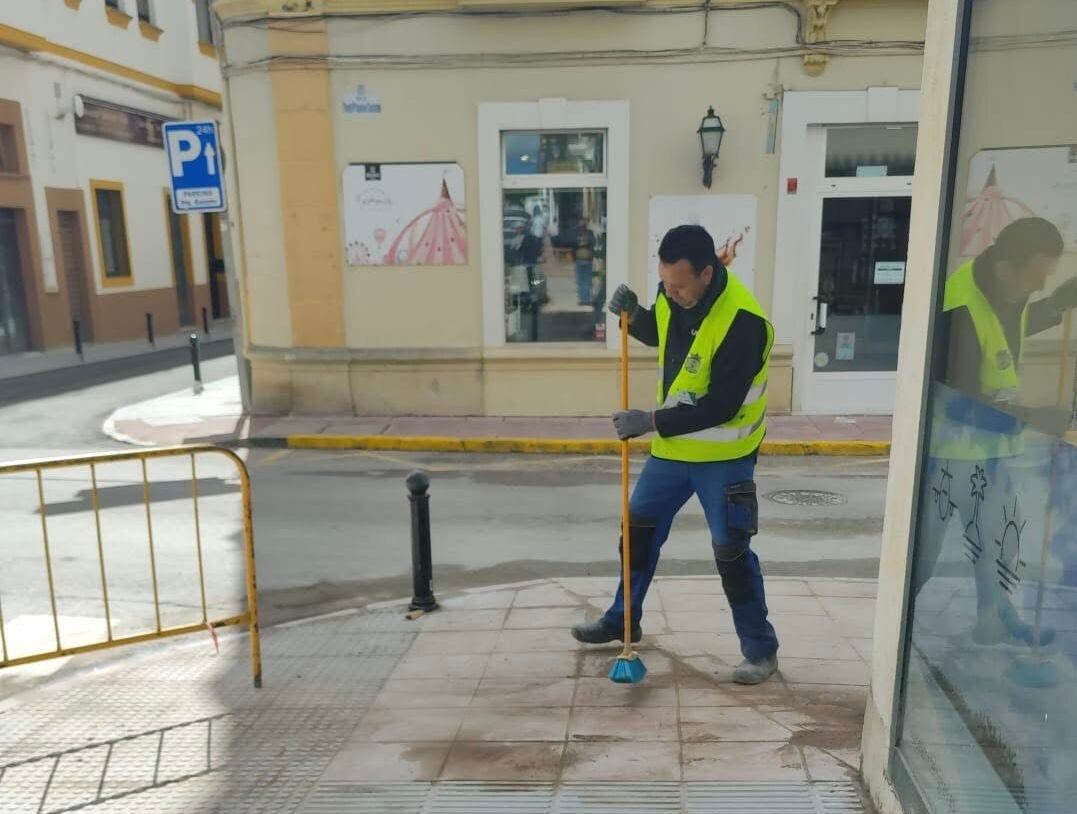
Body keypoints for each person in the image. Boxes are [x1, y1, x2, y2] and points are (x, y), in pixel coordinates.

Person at [570, 224, 780, 685]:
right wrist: (635, 314)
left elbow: (722, 406)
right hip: (671, 454)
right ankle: (623, 621)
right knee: (637, 532)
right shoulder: (672, 296)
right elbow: (663, 332)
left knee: (731, 552)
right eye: (664, 283)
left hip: (725, 457)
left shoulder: (743, 322)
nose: (671, 293)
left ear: (708, 273)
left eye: (679, 286)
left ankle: (760, 650)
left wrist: (649, 421)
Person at [916, 217, 1077, 645]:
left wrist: (1061, 301)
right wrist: (1033, 417)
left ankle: (994, 622)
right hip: (948, 460)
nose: (1039, 285)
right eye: (1038, 275)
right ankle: (893, 640)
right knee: (922, 558)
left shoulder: (1007, 290)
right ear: (1007, 267)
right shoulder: (961, 307)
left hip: (991, 455)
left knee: (998, 548)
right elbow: (961, 402)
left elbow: (1018, 326)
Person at [574, 219, 596, 306]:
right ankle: (584, 299)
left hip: (584, 259)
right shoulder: (588, 233)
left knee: (584, 280)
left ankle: (585, 299)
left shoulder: (581, 234)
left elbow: (593, 242)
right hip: (583, 259)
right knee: (583, 280)